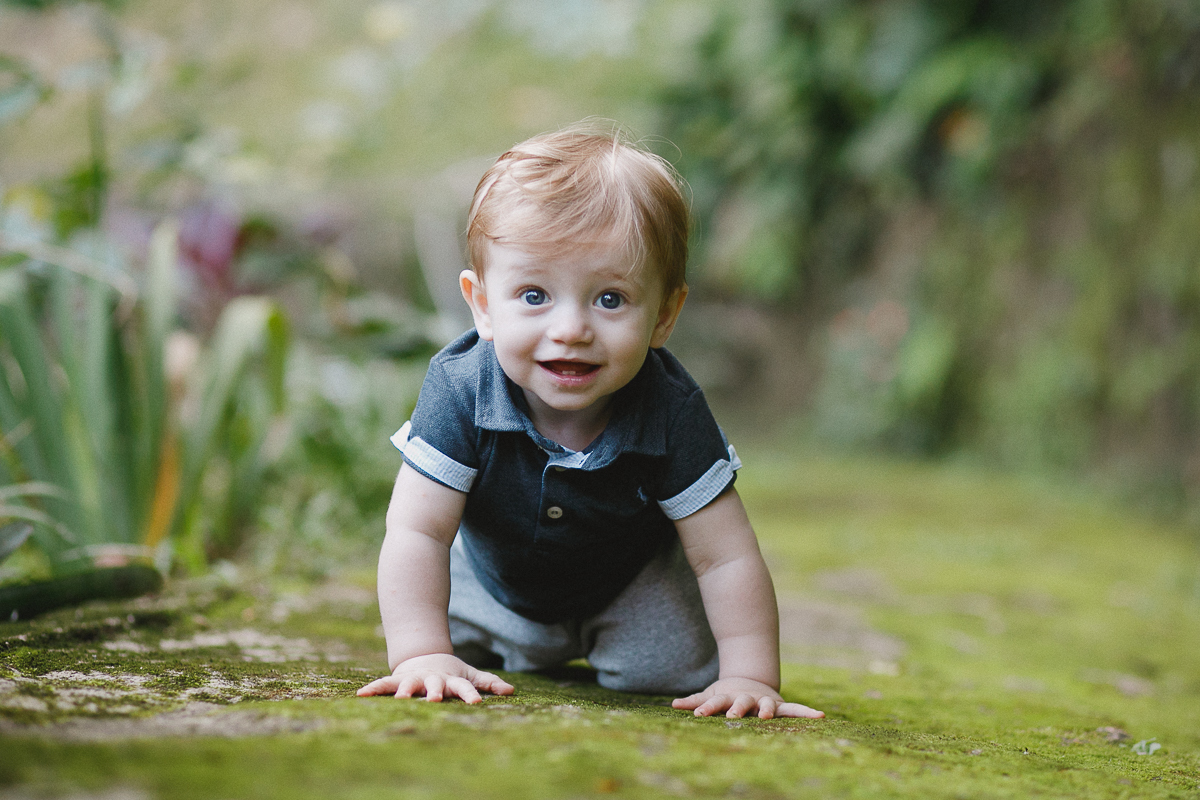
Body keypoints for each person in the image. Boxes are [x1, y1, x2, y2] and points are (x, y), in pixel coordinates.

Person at [357, 122, 823, 720]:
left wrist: (751, 675)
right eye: (533, 295)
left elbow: (725, 556)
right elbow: (417, 530)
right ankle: (492, 642)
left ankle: (587, 646)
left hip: (626, 588)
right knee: (426, 618)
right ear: (481, 305)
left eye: (610, 299)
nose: (571, 329)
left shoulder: (672, 409)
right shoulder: (460, 387)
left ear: (664, 315)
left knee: (676, 672)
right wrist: (420, 655)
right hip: (487, 581)